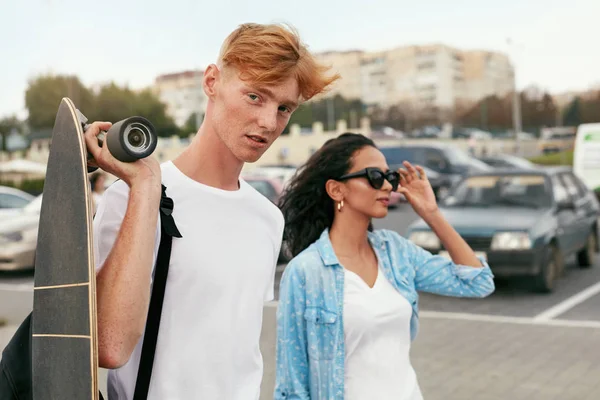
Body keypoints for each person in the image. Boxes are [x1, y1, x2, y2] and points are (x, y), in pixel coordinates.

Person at [85, 23, 339, 400]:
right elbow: (109, 346)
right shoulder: (132, 197)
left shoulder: (268, 218)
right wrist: (146, 189)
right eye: (255, 96)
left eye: (284, 108)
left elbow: (235, 350)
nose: (269, 123)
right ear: (211, 81)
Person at [274, 133, 495, 400]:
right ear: (336, 189)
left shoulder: (395, 252)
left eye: (389, 177)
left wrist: (431, 214)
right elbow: (292, 386)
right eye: (374, 177)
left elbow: (478, 282)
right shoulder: (305, 272)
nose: (388, 187)